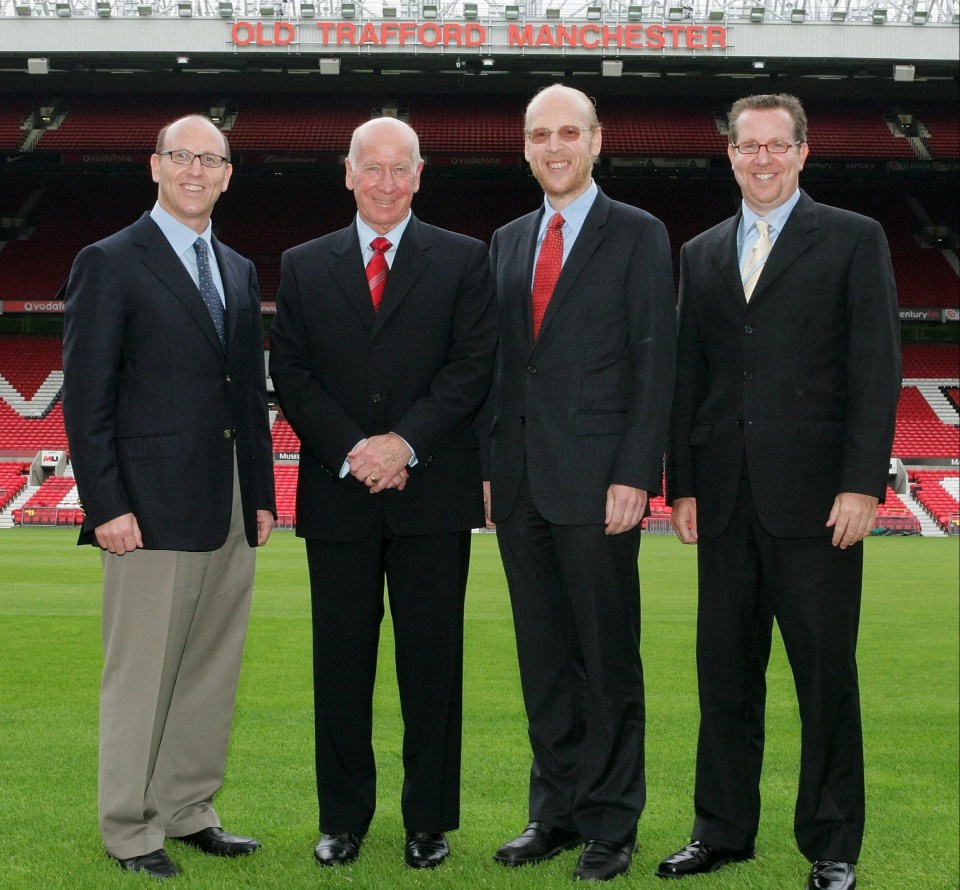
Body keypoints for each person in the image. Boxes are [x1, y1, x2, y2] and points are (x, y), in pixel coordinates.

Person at [658, 94, 901, 890]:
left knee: (824, 678)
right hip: (725, 500)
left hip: (818, 504)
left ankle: (832, 843)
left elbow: (876, 370)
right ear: (728, 152)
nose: (761, 159)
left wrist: (863, 485)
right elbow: (688, 374)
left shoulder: (854, 240)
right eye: (747, 146)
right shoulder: (699, 251)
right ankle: (721, 829)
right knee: (724, 676)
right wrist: (684, 486)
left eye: (776, 146)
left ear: (803, 151)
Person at [268, 116, 497, 872]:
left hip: (432, 495)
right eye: (374, 167)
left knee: (432, 669)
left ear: (421, 174)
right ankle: (342, 819)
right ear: (348, 172)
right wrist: (353, 450)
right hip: (339, 497)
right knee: (340, 668)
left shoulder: (465, 260)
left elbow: (471, 369)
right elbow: (293, 374)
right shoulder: (303, 264)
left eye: (402, 168)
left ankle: (428, 822)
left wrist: (404, 445)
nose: (388, 181)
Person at [61, 114, 276, 880]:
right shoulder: (109, 261)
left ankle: (188, 809)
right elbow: (87, 399)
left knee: (209, 671)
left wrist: (261, 493)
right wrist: (105, 504)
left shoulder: (240, 270)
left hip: (226, 505)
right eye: (181, 156)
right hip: (145, 510)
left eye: (210, 160)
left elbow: (247, 394)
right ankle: (129, 828)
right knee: (142, 676)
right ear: (155, 167)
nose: (195, 171)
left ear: (227, 174)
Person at [482, 84, 677, 883]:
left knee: (605, 660)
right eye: (539, 134)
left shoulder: (639, 234)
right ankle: (554, 812)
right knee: (543, 660)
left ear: (598, 141)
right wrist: (491, 472)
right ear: (524, 147)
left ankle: (610, 823)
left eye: (569, 132)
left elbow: (654, 361)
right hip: (520, 484)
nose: (554, 146)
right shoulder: (505, 239)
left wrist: (637, 470)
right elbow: (499, 366)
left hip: (600, 483)